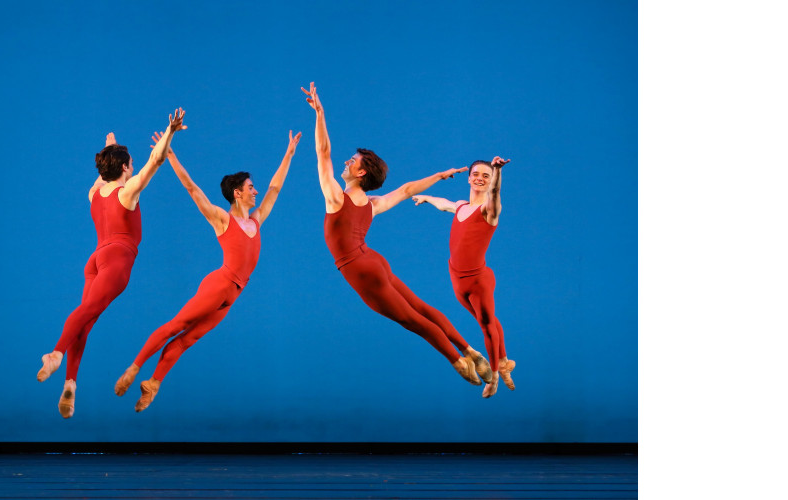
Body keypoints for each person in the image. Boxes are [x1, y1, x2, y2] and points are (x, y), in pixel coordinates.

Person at [300, 82, 491, 386]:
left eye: (353, 161)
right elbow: (405, 191)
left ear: (361, 173)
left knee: (411, 320)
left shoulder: (337, 198)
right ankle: (470, 350)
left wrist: (320, 115)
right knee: (421, 308)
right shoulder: (371, 205)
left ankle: (458, 361)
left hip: (361, 270)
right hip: (375, 261)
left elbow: (323, 152)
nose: (346, 162)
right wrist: (440, 176)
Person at [115, 130, 302, 412]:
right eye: (251, 187)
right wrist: (171, 156)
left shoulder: (256, 220)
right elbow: (193, 189)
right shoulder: (222, 219)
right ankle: (133, 369)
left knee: (188, 339)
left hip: (232, 297)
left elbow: (275, 189)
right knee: (176, 326)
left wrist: (289, 154)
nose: (256, 191)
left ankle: (153, 383)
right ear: (237, 193)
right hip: (220, 284)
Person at [35, 108, 187, 418]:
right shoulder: (127, 192)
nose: (134, 167)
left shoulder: (95, 193)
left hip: (95, 258)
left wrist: (111, 149)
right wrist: (169, 131)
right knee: (86, 313)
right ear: (124, 167)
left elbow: (105, 172)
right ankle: (56, 353)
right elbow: (155, 162)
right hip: (117, 257)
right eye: (130, 163)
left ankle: (71, 384)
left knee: (85, 320)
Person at [412, 157, 515, 398]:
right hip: (457, 280)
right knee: (485, 320)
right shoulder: (460, 206)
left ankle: (494, 376)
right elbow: (444, 203)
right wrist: (426, 197)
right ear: (469, 178)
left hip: (478, 281)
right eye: (476, 174)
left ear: (490, 183)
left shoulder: (489, 210)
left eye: (486, 176)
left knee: (487, 325)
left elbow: (496, 193)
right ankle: (504, 361)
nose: (480, 178)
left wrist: (498, 173)